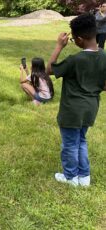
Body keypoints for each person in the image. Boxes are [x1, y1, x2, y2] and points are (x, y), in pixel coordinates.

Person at [46, 14, 106, 187]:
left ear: (79, 39)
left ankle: (70, 177)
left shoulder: (75, 60)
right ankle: (84, 176)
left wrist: (59, 46)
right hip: (91, 108)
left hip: (72, 110)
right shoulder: (103, 56)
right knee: (81, 139)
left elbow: (49, 69)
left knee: (70, 144)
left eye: (73, 39)